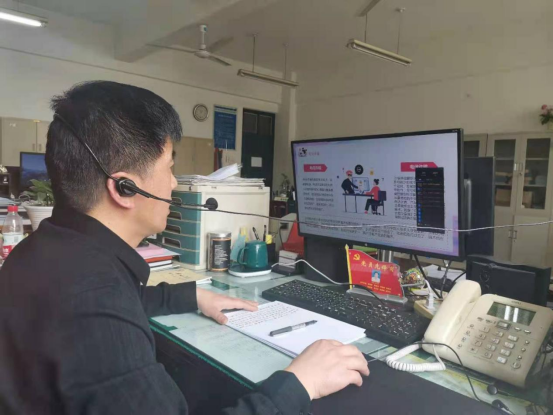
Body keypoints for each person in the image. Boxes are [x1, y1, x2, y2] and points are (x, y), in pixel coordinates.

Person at [0, 81, 369, 415]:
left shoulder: (43, 252)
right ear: (125, 188)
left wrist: (192, 296)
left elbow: (124, 301)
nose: (174, 184)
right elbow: (105, 311)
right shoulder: (94, 306)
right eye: (169, 167)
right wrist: (300, 384)